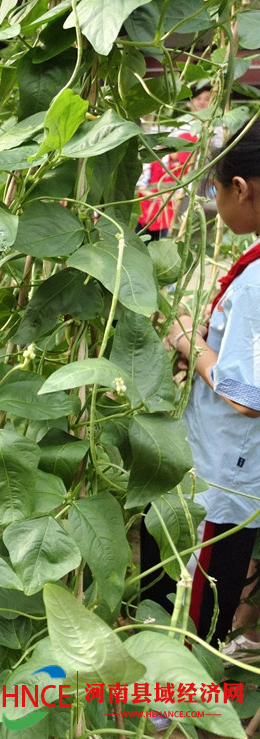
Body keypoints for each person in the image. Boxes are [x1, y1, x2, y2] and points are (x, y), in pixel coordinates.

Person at [152, 121, 260, 648]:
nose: (215, 202)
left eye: (215, 190)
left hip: (224, 480)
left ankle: (169, 713)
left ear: (241, 188)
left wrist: (184, 342)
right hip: (232, 471)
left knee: (192, 609)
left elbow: (248, 396)